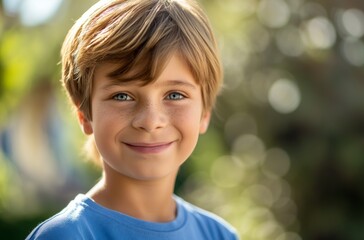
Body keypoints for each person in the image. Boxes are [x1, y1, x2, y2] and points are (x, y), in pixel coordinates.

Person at [26, 0, 238, 239]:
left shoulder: (219, 235)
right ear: (85, 115)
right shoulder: (66, 235)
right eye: (122, 96)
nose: (150, 121)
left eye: (175, 95)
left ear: (204, 112)